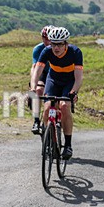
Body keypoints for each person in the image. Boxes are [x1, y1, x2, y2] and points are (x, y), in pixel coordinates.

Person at [30, 26, 83, 160]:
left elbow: (78, 78)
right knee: (47, 107)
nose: (56, 48)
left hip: (69, 81)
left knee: (65, 106)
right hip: (53, 79)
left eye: (59, 44)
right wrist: (32, 88)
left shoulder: (75, 52)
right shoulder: (46, 51)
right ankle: (49, 139)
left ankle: (68, 145)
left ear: (66, 43)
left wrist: (73, 92)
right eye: (53, 44)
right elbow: (37, 71)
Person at [30, 26, 53, 134]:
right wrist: (32, 86)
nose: (47, 41)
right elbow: (34, 67)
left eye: (49, 38)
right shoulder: (38, 49)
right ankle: (36, 120)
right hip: (43, 72)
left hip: (55, 74)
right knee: (39, 91)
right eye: (44, 38)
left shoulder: (58, 48)